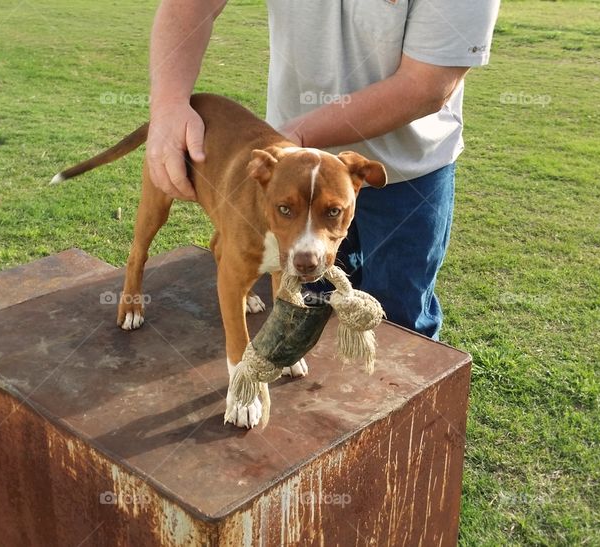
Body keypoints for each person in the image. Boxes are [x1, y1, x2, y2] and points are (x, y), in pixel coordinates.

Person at [146, 0, 500, 339]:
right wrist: (168, 103)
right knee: (303, 313)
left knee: (397, 325)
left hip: (407, 172)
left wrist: (298, 135)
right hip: (291, 167)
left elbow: (426, 84)